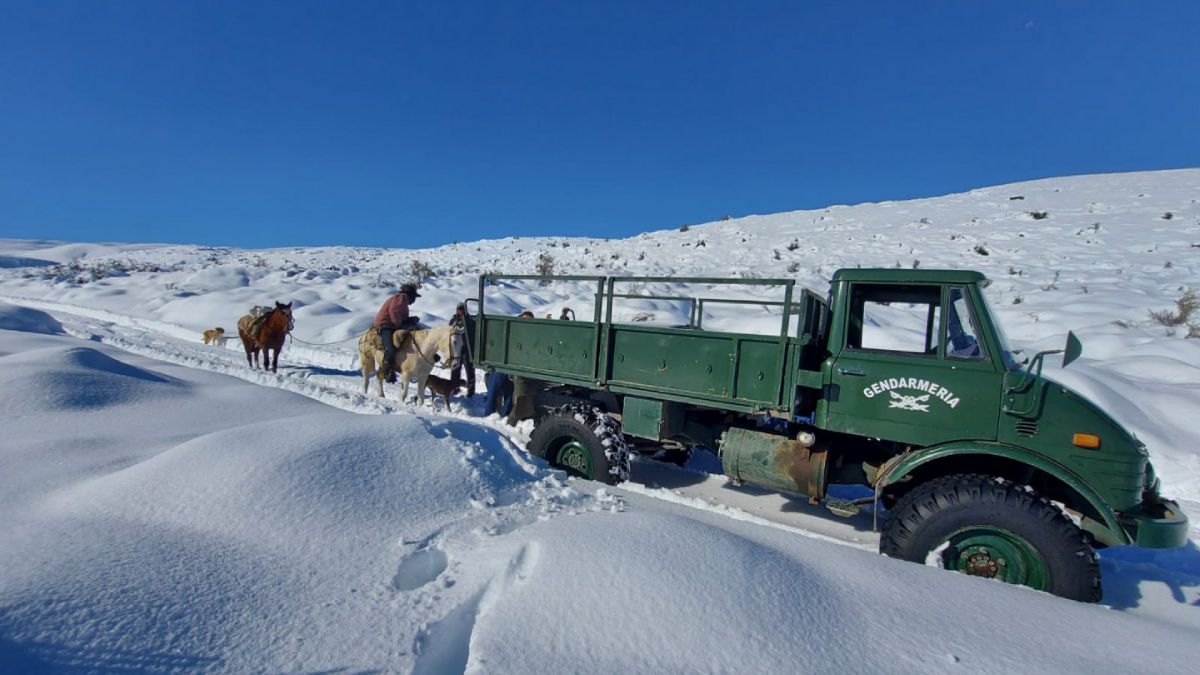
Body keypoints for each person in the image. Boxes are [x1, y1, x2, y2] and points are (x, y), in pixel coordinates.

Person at [373, 283, 421, 382]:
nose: (414, 300)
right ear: (410, 295)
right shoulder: (401, 298)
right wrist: (402, 324)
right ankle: (386, 371)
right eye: (414, 297)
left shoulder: (402, 300)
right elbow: (394, 313)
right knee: (390, 349)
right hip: (386, 325)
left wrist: (410, 320)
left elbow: (400, 316)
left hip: (392, 325)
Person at [447, 303, 476, 396]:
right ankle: (454, 389)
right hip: (456, 350)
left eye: (462, 309)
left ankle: (471, 391)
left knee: (470, 371)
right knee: (455, 370)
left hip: (467, 350)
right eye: (459, 309)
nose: (460, 311)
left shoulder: (469, 320)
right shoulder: (453, 321)